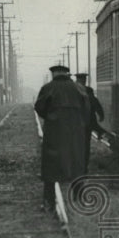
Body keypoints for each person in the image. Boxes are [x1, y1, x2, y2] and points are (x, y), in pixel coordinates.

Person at [34, 65, 90, 218]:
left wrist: (52, 117)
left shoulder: (48, 88)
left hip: (54, 132)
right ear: (66, 74)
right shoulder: (79, 88)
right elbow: (87, 110)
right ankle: (79, 199)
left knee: (51, 166)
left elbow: (39, 107)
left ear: (54, 74)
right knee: (77, 163)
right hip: (76, 133)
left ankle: (49, 202)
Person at [75, 72, 105, 172]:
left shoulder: (71, 89)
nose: (84, 81)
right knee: (85, 146)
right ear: (84, 80)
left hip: (74, 124)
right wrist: (101, 114)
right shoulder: (88, 90)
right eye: (83, 79)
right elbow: (95, 102)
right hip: (86, 123)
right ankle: (83, 167)